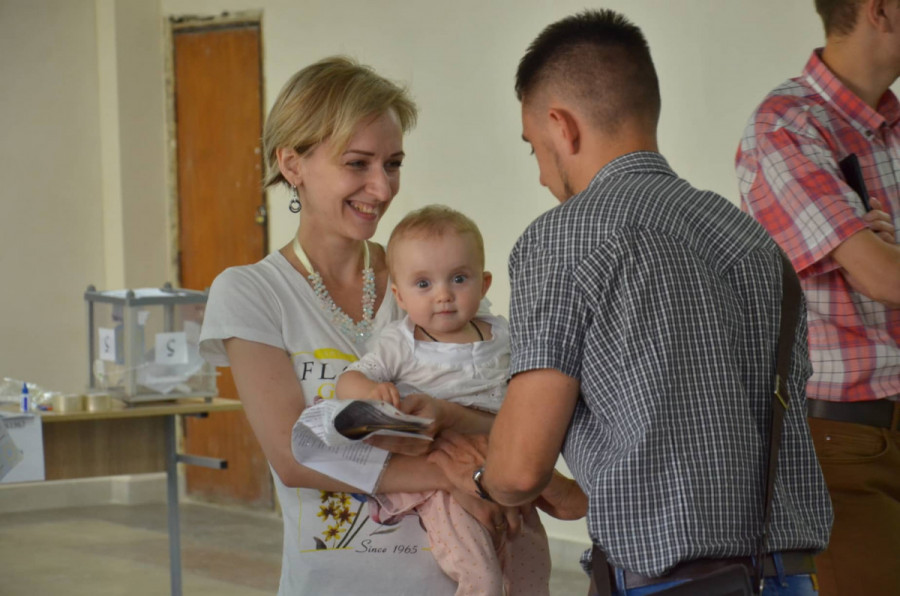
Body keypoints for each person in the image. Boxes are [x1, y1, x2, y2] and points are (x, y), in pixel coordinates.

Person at [428, 9, 833, 596]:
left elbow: (520, 469)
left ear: (562, 127)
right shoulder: (752, 241)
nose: (542, 176)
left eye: (534, 148)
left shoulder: (566, 237)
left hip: (667, 584)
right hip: (789, 577)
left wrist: (478, 479)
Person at [199, 56, 525, 595]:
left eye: (393, 164)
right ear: (292, 163)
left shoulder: (428, 282)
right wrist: (453, 471)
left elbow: (503, 413)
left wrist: (451, 421)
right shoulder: (251, 292)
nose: (382, 187)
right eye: (357, 164)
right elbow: (294, 456)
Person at [735, 1, 900, 593]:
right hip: (846, 446)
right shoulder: (787, 126)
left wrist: (880, 255)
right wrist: (878, 257)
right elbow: (885, 278)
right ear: (881, 10)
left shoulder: (891, 127)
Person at [335, 204, 551, 596]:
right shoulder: (403, 344)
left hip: (502, 461)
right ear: (399, 295)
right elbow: (346, 382)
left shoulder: (501, 334)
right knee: (480, 573)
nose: (444, 295)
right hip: (446, 475)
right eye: (423, 284)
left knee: (531, 560)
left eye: (459, 278)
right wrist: (370, 391)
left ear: (484, 284)